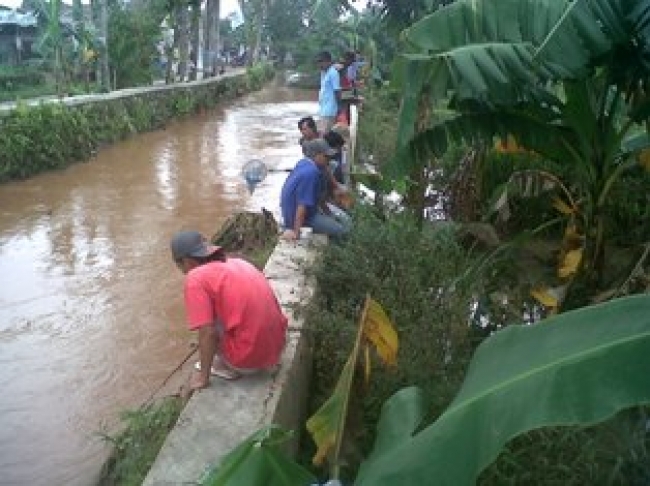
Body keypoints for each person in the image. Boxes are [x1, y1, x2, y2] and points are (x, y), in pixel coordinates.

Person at [171, 230, 288, 390]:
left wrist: (203, 378)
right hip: (278, 347)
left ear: (187, 262)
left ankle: (224, 366)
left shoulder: (195, 278)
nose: (182, 271)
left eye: (180, 266)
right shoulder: (237, 262)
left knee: (205, 327)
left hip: (249, 362)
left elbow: (208, 333)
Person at [280, 138, 348, 240]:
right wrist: (296, 232)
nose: (329, 159)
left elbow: (317, 197)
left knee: (344, 219)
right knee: (343, 230)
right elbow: (302, 206)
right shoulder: (311, 173)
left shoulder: (303, 162)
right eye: (326, 156)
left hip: (299, 211)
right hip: (302, 217)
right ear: (316, 155)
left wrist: (328, 214)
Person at [316, 51, 341, 133]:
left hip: (329, 111)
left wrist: (339, 108)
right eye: (318, 62)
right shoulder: (323, 73)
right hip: (322, 110)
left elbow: (337, 91)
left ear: (328, 61)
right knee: (321, 134)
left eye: (321, 61)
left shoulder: (333, 73)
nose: (319, 64)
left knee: (324, 136)